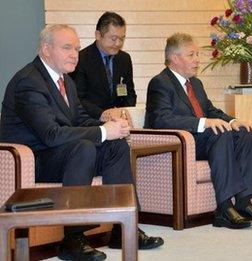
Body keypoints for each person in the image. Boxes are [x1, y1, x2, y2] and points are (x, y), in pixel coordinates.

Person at [0, 25, 162, 261]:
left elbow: (80, 120)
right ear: (46, 49)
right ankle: (72, 239)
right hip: (31, 160)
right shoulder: (29, 82)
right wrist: (102, 132)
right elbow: (51, 135)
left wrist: (109, 124)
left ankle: (122, 229)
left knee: (116, 146)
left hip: (64, 154)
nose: (74, 54)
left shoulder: (65, 81)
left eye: (76, 48)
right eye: (67, 48)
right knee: (86, 146)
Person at [145, 33, 252, 229]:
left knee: (245, 134)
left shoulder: (195, 84)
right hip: (183, 143)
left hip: (206, 140)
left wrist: (233, 120)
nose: (197, 60)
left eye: (197, 54)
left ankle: (244, 203)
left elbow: (210, 110)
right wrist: (204, 123)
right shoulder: (160, 83)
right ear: (174, 58)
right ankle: (224, 209)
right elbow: (161, 119)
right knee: (219, 133)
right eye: (191, 55)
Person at [70, 11, 136, 120]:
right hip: (91, 122)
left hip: (119, 122)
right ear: (98, 35)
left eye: (122, 38)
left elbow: (129, 93)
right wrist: (102, 114)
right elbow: (78, 98)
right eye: (114, 39)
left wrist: (124, 112)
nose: (118, 43)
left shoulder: (124, 59)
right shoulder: (81, 59)